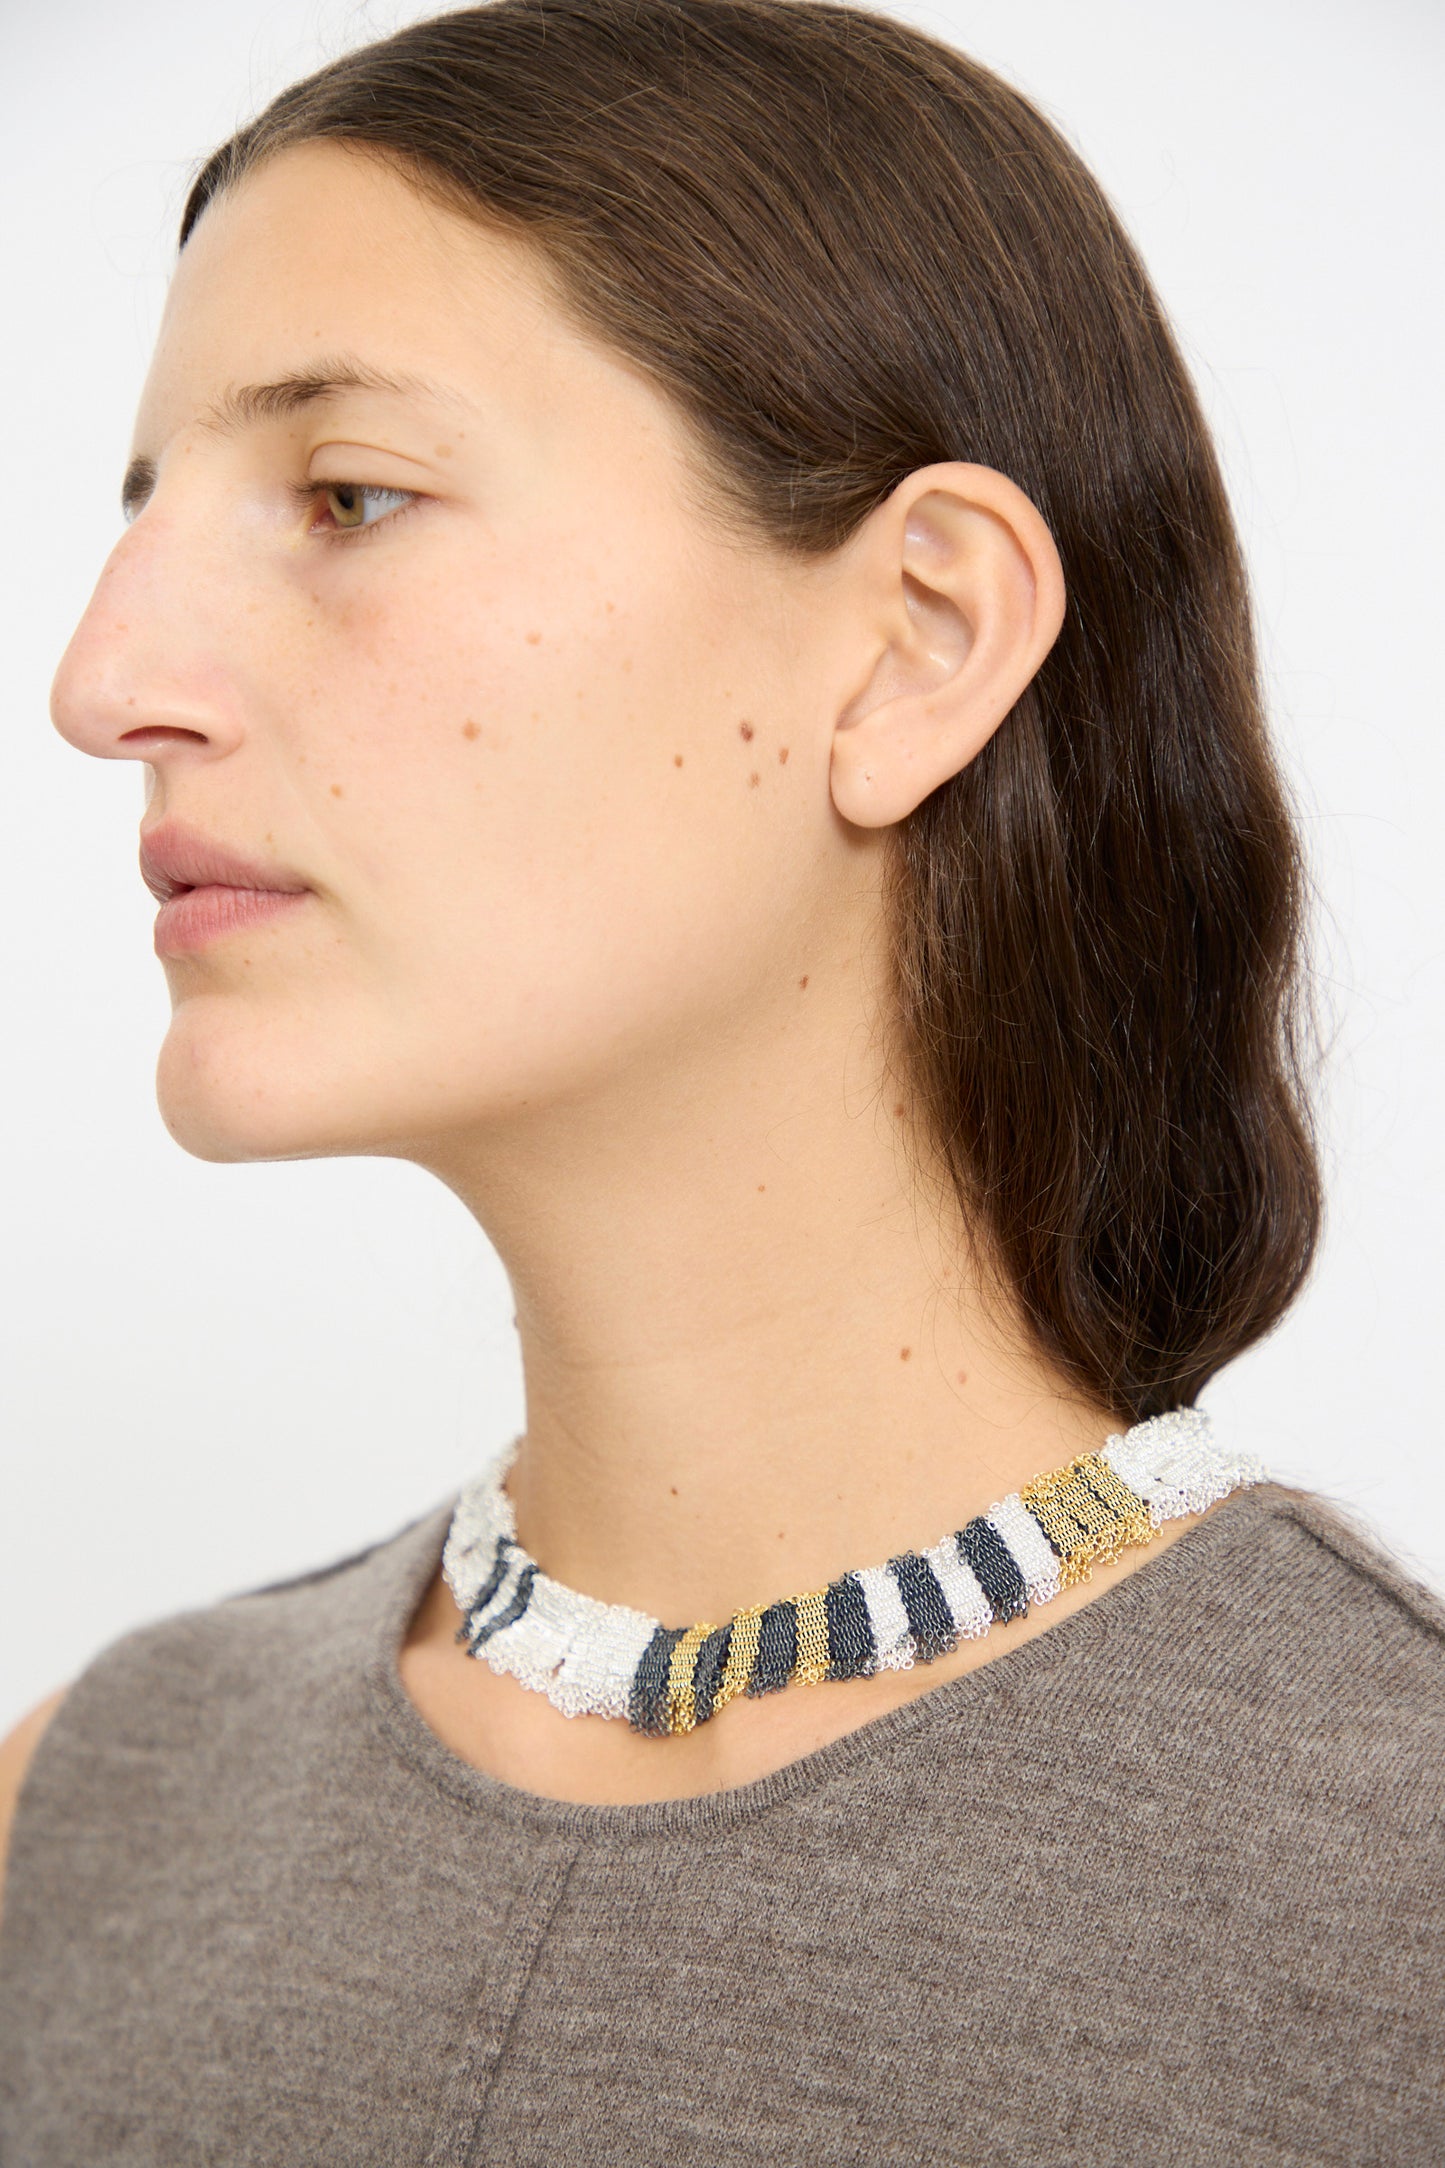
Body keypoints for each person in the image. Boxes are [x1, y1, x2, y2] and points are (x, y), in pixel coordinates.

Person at [1, 0, 1440, 2159]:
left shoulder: (1391, 1891)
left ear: (916, 639)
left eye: (349, 492)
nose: (104, 684)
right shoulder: (88, 1813)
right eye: (149, 520)